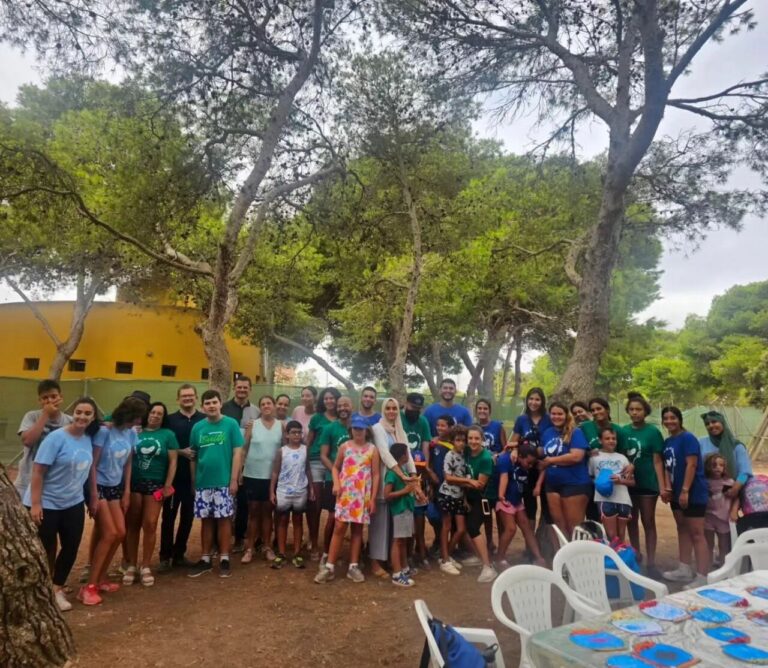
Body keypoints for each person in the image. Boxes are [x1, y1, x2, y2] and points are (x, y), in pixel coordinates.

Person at [25, 397, 99, 611]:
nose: (82, 417)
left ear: (93, 417)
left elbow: (90, 468)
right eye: (78, 412)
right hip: (47, 502)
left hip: (73, 502)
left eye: (87, 413)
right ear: (72, 412)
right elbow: (38, 471)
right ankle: (41, 590)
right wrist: (36, 504)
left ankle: (57, 588)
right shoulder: (56, 438)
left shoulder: (88, 438)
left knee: (71, 546)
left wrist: (93, 497)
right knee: (45, 548)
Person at [82, 397, 145, 606]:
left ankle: (101, 578)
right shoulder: (104, 431)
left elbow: (128, 464)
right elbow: (93, 463)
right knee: (109, 533)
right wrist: (92, 494)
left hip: (116, 488)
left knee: (120, 532)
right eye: (134, 419)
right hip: (98, 486)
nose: (135, 423)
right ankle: (89, 586)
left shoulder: (131, 433)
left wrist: (126, 491)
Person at [314, 416, 380, 584]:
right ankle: (329, 566)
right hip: (345, 494)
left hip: (362, 495)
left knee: (358, 529)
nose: (358, 431)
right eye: (355, 428)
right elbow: (336, 468)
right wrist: (336, 483)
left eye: (361, 428)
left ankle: (353, 566)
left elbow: (375, 474)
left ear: (366, 430)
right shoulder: (345, 446)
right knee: (340, 527)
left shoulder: (372, 449)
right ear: (351, 429)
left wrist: (372, 498)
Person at [187, 389, 244, 579]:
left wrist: (234, 479)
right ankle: (205, 558)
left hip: (224, 482)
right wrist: (194, 481)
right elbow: (193, 457)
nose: (211, 406)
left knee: (224, 519)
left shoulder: (231, 424)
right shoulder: (198, 428)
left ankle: (224, 557)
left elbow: (237, 453)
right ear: (202, 406)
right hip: (203, 483)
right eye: (207, 403)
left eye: (214, 402)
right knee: (206, 520)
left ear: (220, 403)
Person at [124, 402, 178, 587]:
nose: (155, 416)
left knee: (151, 523)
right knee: (133, 524)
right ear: (148, 414)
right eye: (153, 412)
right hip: (134, 483)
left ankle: (145, 565)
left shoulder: (168, 435)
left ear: (163, 418)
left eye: (160, 414)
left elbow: (173, 462)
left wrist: (167, 486)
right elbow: (128, 458)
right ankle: (131, 565)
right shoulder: (136, 432)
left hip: (156, 484)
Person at [660, 406, 710, 587]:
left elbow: (692, 465)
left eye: (673, 417)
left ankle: (703, 577)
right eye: (665, 418)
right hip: (676, 494)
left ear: (680, 419)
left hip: (693, 492)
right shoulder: (667, 442)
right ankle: (684, 569)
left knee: (697, 533)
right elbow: (667, 467)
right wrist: (667, 488)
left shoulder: (688, 438)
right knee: (682, 528)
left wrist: (685, 490)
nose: (669, 421)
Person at [159, 384, 205, 571]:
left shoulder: (203, 420)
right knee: (168, 518)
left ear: (196, 398)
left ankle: (179, 554)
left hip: (195, 478)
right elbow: (162, 444)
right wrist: (180, 452)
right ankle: (165, 557)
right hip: (173, 477)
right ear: (178, 399)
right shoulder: (169, 420)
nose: (188, 399)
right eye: (184, 396)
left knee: (187, 518)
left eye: (191, 396)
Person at [371, 397, 417, 576]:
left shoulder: (400, 429)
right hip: (385, 480)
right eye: (388, 408)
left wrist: (413, 478)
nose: (391, 411)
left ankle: (394, 563)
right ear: (383, 410)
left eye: (394, 408)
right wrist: (403, 476)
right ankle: (375, 564)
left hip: (401, 483)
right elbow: (384, 454)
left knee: (396, 528)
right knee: (380, 526)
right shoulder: (378, 428)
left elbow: (409, 455)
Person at [622, 392, 666, 576]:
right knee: (631, 521)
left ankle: (652, 562)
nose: (635, 413)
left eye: (638, 409)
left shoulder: (653, 432)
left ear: (645, 411)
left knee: (648, 521)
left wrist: (662, 486)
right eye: (631, 409)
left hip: (648, 483)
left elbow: (658, 461)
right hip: (628, 484)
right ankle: (636, 555)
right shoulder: (623, 431)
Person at [536, 401, 591, 538]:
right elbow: (541, 453)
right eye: (553, 414)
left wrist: (551, 461)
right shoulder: (548, 432)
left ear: (566, 415)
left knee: (574, 526)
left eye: (560, 414)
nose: (556, 417)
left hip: (575, 483)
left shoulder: (575, 432)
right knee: (558, 525)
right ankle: (562, 557)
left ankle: (577, 558)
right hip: (552, 484)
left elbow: (577, 456)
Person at [240, 395, 283, 564]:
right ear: (260, 407)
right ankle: (249, 548)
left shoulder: (282, 425)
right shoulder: (252, 425)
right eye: (263, 404)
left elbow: (284, 451)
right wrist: (239, 474)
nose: (266, 406)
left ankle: (267, 546)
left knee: (267, 512)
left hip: (272, 477)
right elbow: (243, 450)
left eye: (269, 403)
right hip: (252, 475)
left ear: (273, 406)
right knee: (253, 512)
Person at [15, 379, 73, 497]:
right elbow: (27, 441)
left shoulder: (69, 421)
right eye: (45, 397)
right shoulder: (31, 416)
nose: (50, 400)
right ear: (39, 400)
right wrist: (45, 414)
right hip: (27, 482)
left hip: (55, 483)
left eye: (53, 396)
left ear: (61, 397)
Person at [270, 420, 314, 569]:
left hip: (300, 491)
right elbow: (275, 472)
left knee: (298, 521)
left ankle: (297, 553)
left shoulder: (305, 450)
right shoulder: (281, 451)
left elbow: (307, 469)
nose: (296, 435)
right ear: (287, 434)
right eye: (293, 432)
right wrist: (272, 491)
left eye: (299, 432)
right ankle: (281, 553)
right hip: (283, 491)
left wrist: (312, 489)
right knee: (282, 521)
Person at [222, 376, 258, 555]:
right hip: (225, 461)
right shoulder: (224, 409)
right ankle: (219, 541)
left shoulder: (256, 411)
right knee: (225, 501)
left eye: (245, 387)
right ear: (234, 388)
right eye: (239, 387)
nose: (242, 390)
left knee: (243, 502)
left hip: (247, 463)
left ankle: (238, 539)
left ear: (250, 389)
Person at [316, 396, 354, 564]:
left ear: (352, 406)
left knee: (353, 519)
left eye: (346, 405)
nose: (343, 408)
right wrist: (335, 472)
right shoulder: (329, 428)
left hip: (355, 481)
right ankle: (326, 552)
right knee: (333, 517)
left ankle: (353, 555)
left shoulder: (358, 428)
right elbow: (323, 455)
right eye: (340, 406)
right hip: (334, 479)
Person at [496, 444, 545, 568]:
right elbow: (504, 477)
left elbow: (542, 465)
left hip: (517, 501)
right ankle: (499, 558)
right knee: (510, 528)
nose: (530, 466)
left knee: (527, 527)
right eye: (528, 463)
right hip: (505, 500)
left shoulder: (525, 463)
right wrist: (501, 496)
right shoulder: (506, 460)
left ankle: (539, 557)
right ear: (520, 456)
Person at [510, 388, 552, 529]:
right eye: (531, 399)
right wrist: (515, 449)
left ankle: (546, 542)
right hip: (527, 468)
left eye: (537, 399)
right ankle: (530, 545)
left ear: (542, 401)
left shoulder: (549, 418)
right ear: (527, 400)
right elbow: (514, 441)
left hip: (545, 466)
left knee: (547, 506)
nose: (533, 402)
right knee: (530, 505)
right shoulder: (522, 419)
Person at [306, 387, 340, 560]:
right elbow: (309, 441)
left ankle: (330, 544)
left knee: (334, 507)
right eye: (326, 398)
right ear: (322, 401)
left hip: (336, 464)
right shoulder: (317, 418)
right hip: (316, 462)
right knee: (315, 504)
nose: (329, 401)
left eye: (332, 398)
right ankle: (313, 542)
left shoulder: (343, 419)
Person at [401, 392, 432, 568]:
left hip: (418, 473)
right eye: (413, 407)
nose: (415, 411)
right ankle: (406, 554)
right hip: (402, 472)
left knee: (419, 516)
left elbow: (425, 445)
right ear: (406, 404)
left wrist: (425, 470)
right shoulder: (398, 418)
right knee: (405, 516)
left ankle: (420, 552)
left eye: (418, 408)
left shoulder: (423, 422)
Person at [463, 425, 498, 583]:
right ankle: (479, 557)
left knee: (473, 526)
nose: (473, 441)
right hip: (470, 495)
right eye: (470, 438)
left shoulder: (485, 458)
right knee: (468, 527)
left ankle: (488, 566)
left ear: (482, 439)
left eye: (477, 438)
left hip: (483, 498)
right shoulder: (466, 452)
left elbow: (480, 484)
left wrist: (458, 481)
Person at [588, 427, 635, 542]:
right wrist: (601, 483)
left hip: (623, 499)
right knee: (611, 534)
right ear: (600, 440)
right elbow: (589, 477)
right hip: (604, 498)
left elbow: (632, 482)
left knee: (621, 534)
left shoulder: (622, 457)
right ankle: (612, 558)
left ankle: (619, 558)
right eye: (607, 438)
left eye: (613, 438)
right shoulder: (594, 457)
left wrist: (620, 481)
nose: (611, 441)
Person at [385, 442, 421, 587]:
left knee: (403, 540)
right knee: (398, 540)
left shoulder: (402, 471)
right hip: (399, 510)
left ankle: (404, 568)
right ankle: (397, 573)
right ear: (401, 456)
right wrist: (405, 491)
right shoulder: (393, 473)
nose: (408, 456)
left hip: (406, 509)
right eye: (407, 453)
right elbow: (387, 494)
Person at [436, 425, 469, 575]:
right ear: (452, 441)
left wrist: (465, 497)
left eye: (463, 440)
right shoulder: (449, 455)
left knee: (461, 529)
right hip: (447, 494)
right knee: (446, 526)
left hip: (459, 496)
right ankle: (445, 560)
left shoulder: (465, 455)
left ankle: (446, 555)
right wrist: (466, 481)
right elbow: (448, 477)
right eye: (458, 440)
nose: (461, 443)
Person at [475, 398, 506, 556]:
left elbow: (505, 448)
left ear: (489, 410)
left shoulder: (497, 427)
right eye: (479, 408)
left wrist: (496, 456)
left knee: (499, 513)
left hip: (496, 475)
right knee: (486, 512)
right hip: (483, 476)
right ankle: (489, 542)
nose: (482, 411)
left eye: (485, 408)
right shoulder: (474, 428)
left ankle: (501, 543)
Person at [699, 411, 753, 502]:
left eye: (714, 422)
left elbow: (745, 472)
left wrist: (735, 488)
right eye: (707, 424)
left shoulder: (736, 446)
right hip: (706, 493)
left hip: (730, 492)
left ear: (722, 422)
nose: (711, 425)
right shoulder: (701, 443)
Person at [703, 453, 739, 567]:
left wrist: (734, 511)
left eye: (721, 465)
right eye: (714, 465)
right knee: (708, 544)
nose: (718, 467)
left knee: (724, 545)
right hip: (708, 517)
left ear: (724, 467)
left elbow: (737, 497)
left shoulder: (728, 482)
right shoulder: (705, 482)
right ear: (708, 466)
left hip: (723, 518)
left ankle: (724, 566)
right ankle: (707, 566)